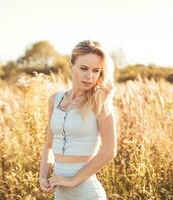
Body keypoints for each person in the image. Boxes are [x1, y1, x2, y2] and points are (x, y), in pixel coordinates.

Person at [39, 40, 117, 199]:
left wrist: (73, 180)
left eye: (96, 71)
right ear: (71, 66)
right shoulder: (55, 100)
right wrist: (43, 175)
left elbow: (109, 151)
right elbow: (49, 145)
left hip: (86, 192)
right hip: (60, 192)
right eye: (84, 68)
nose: (90, 76)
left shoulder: (99, 101)